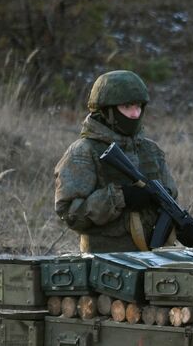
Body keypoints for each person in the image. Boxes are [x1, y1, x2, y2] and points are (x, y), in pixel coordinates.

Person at [54, 70, 178, 252]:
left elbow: (172, 194)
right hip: (106, 265)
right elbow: (71, 214)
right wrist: (120, 197)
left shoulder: (151, 151)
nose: (135, 114)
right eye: (127, 107)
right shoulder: (84, 151)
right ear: (107, 111)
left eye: (139, 106)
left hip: (154, 260)